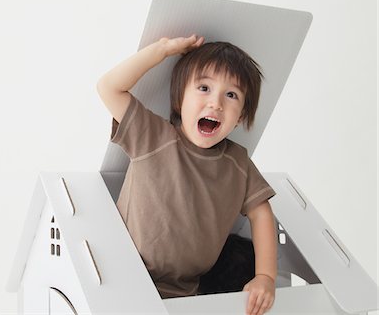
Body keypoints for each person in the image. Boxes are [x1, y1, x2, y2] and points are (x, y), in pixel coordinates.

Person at [97, 35, 277, 315]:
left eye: (231, 95)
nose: (216, 103)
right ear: (180, 100)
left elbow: (262, 214)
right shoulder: (153, 136)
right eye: (204, 88)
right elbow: (109, 87)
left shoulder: (238, 162)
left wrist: (265, 277)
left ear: (240, 116)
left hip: (185, 292)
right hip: (123, 276)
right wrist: (163, 50)